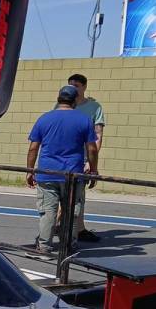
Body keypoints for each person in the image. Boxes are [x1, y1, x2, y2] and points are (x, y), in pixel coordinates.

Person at [26, 85, 98, 252]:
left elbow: (33, 148)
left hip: (47, 173)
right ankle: (68, 246)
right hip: (73, 174)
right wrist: (93, 170)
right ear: (74, 101)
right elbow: (92, 149)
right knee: (71, 211)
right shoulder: (84, 119)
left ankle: (44, 246)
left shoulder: (44, 119)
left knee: (48, 212)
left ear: (58, 99)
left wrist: (30, 170)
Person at [65, 74, 106, 242]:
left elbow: (98, 135)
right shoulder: (63, 106)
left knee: (78, 196)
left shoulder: (94, 107)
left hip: (82, 158)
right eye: (70, 85)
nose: (73, 88)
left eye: (77, 85)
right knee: (65, 194)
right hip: (64, 157)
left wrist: (91, 160)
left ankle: (78, 229)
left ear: (84, 87)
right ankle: (61, 226)